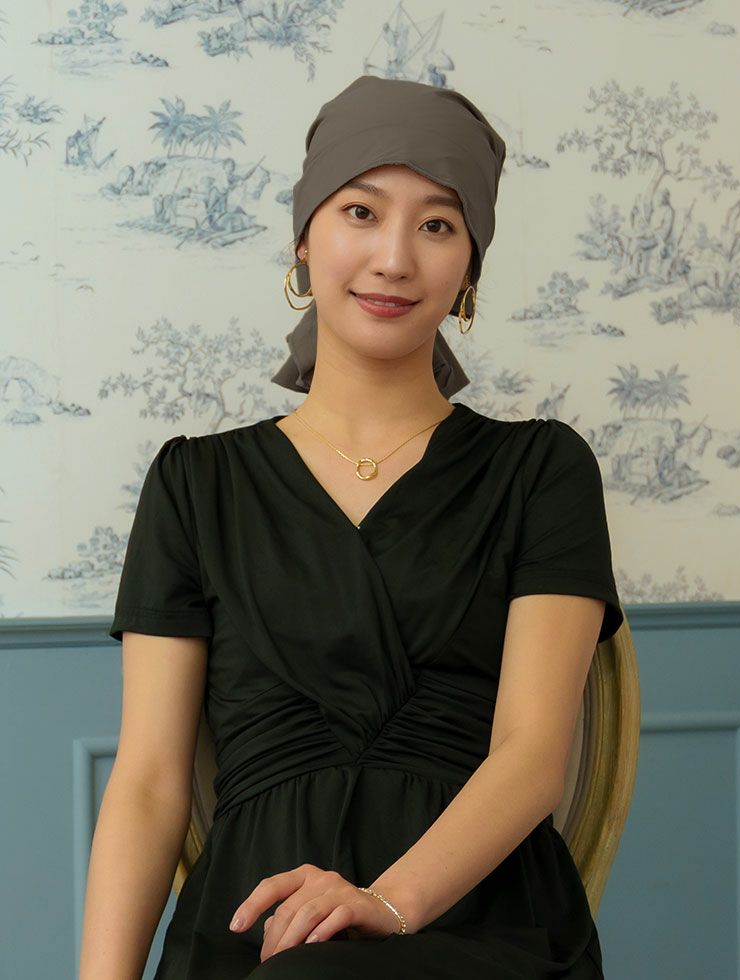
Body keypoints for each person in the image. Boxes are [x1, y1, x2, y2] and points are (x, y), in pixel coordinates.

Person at [81, 75, 624, 979]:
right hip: (252, 925)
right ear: (305, 238)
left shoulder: (542, 469)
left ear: (470, 269)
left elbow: (534, 758)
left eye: (438, 225)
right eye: (361, 212)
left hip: (477, 922)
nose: (395, 258)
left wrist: (388, 902)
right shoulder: (195, 483)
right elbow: (147, 782)